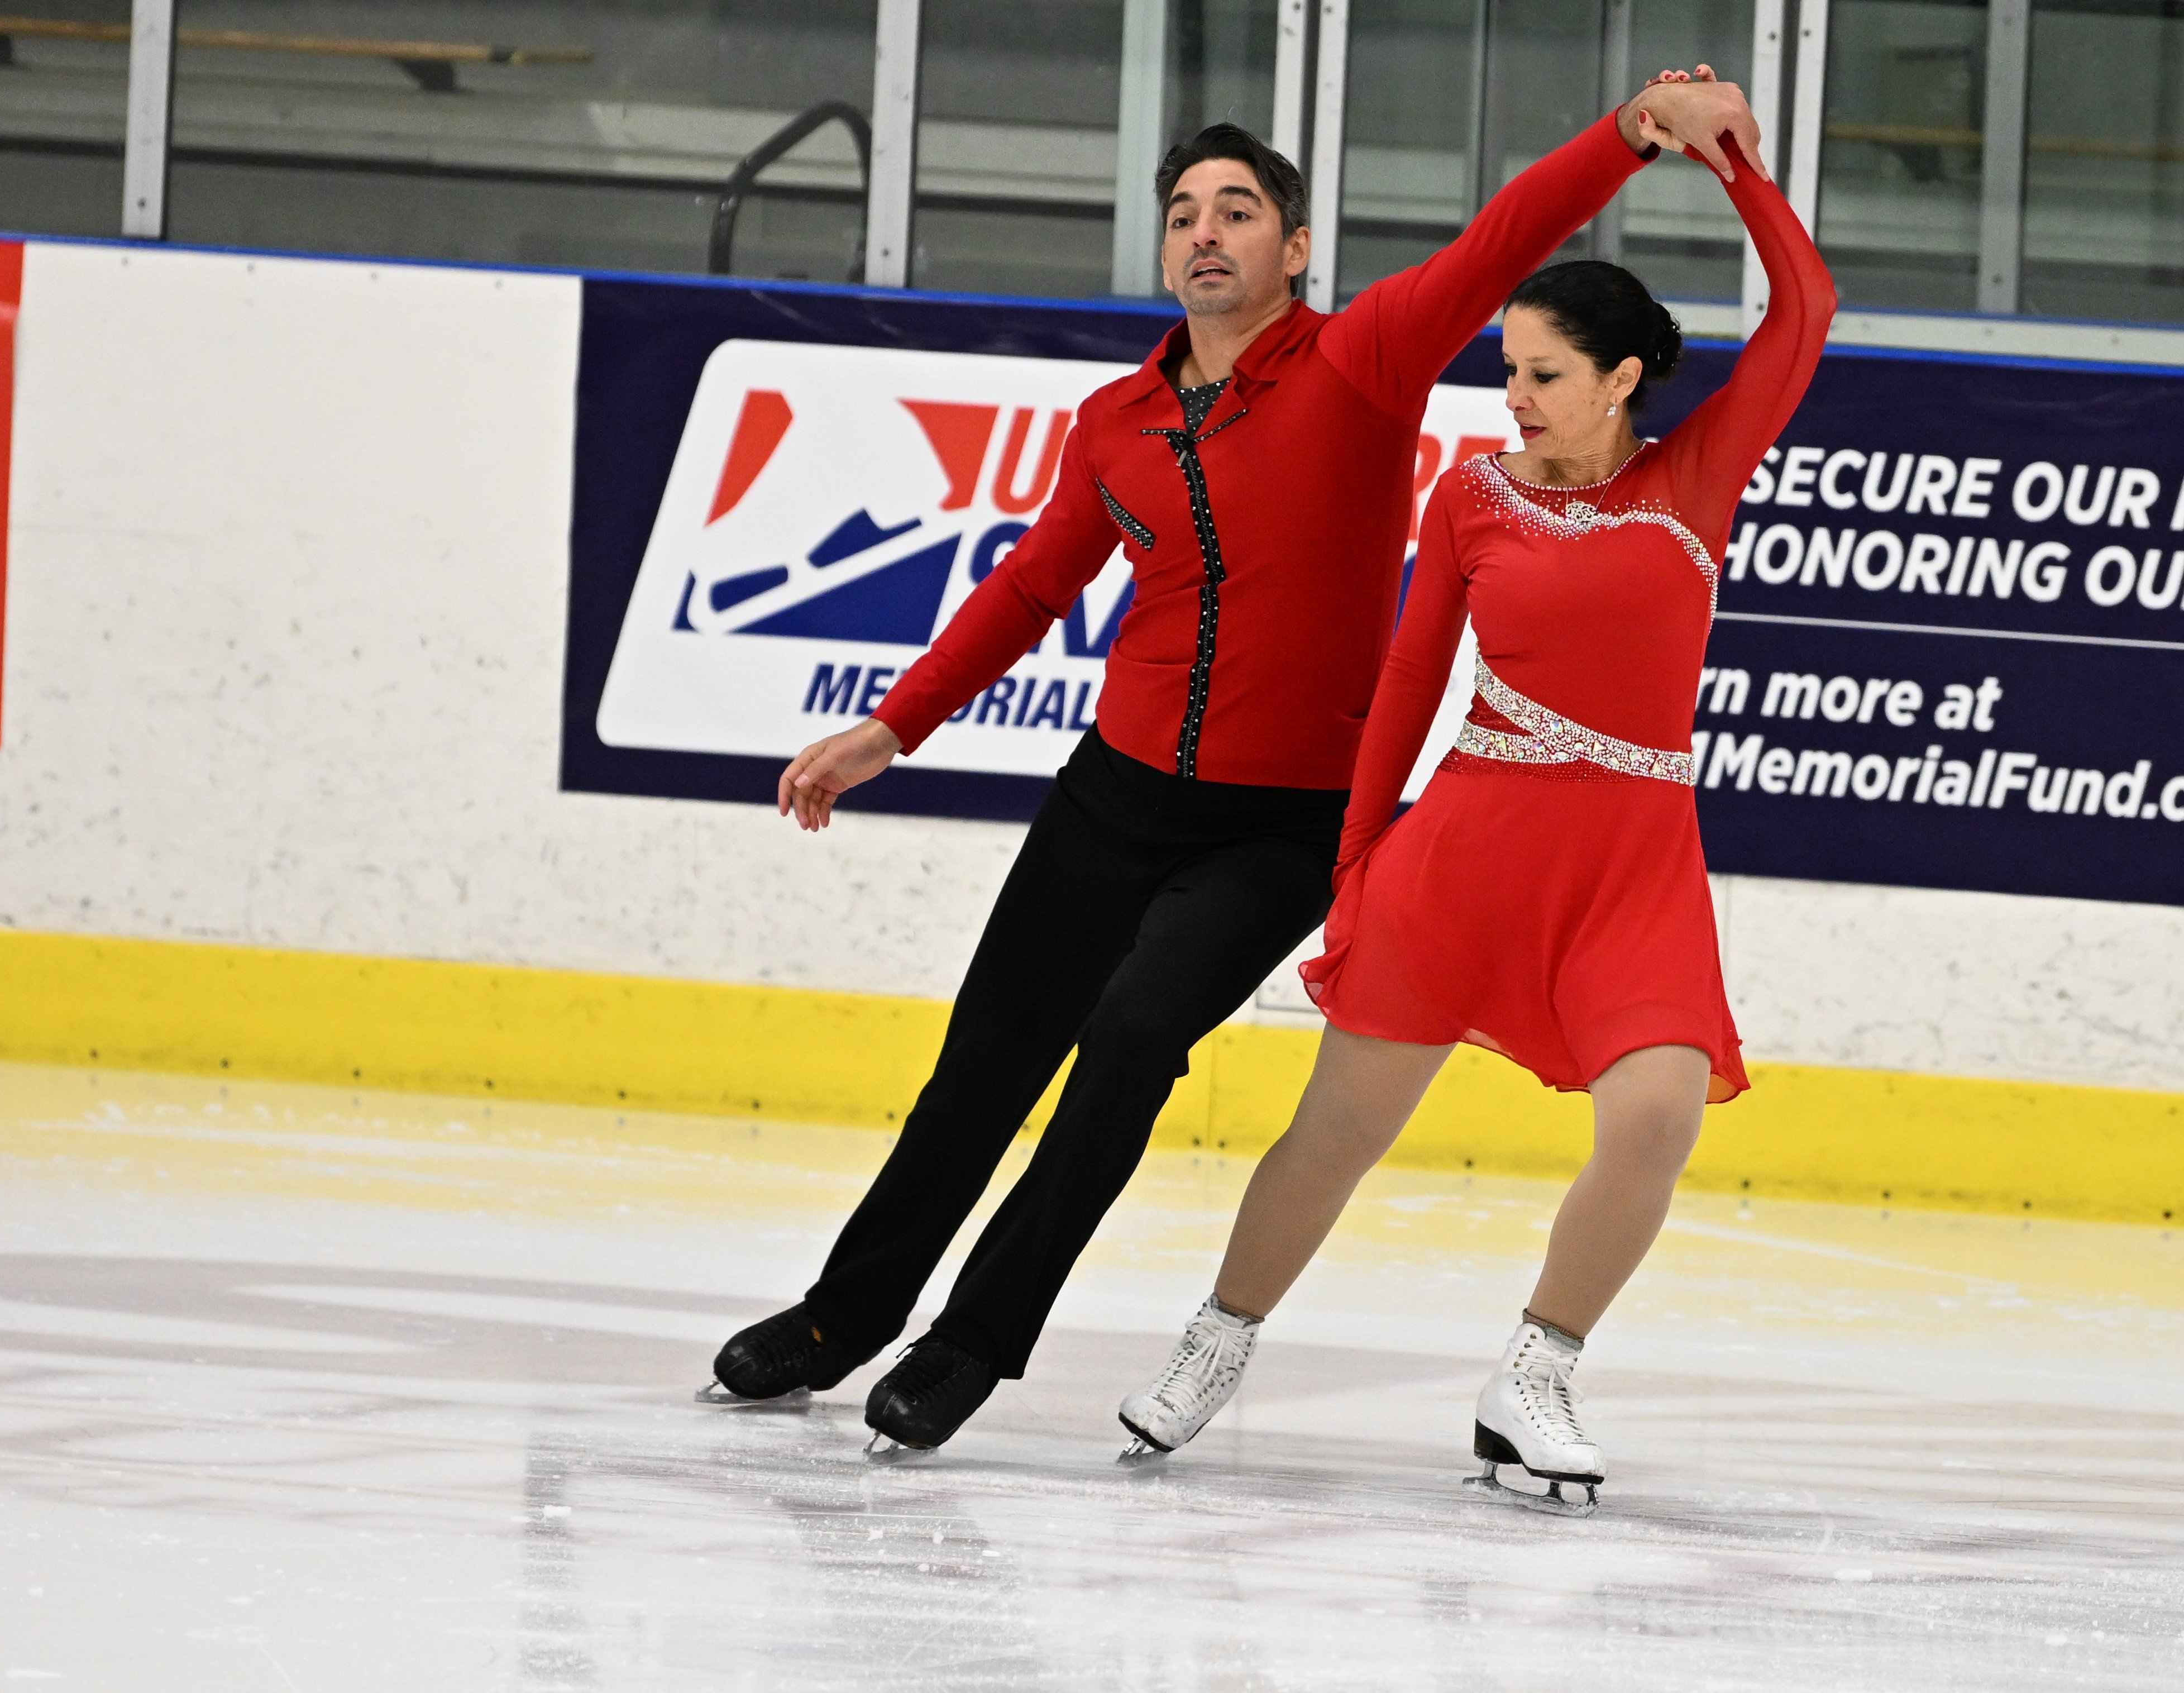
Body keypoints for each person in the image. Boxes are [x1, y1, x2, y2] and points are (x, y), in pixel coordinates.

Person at [700, 79, 1771, 1457]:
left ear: (1297, 246)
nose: (1206, 234)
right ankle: (844, 1313)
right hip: (1116, 787)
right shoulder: (1120, 422)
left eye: (1240, 211)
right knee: (982, 1064)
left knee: (1134, 1038)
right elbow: (1030, 589)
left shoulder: (1364, 361)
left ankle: (975, 1337)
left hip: (1278, 822)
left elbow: (1502, 242)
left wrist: (1628, 134)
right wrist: (893, 725)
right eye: (1184, 214)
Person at [1112, 115, 1835, 1514]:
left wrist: (1732, 168)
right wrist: (1358, 858)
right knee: (1337, 1129)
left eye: (1547, 376)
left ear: (1624, 379)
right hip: (1469, 844)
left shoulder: (1699, 477)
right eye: (1507, 372)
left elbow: (1806, 308)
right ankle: (1218, 1340)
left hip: (1631, 860)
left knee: (1658, 1113)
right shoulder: (1474, 496)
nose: (1516, 398)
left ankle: (1539, 1372)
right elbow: (1407, 678)